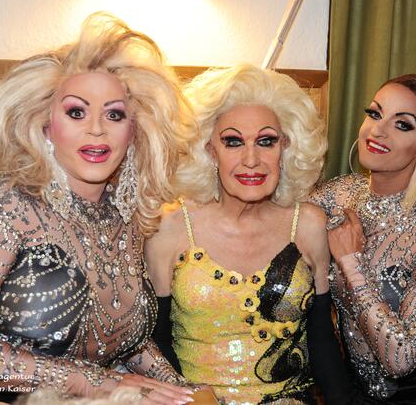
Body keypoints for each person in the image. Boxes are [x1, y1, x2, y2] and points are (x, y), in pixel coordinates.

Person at [0, 13, 198, 405]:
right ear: (44, 123)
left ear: (136, 130)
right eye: (76, 112)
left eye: (114, 114)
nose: (97, 129)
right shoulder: (1, 208)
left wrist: (181, 391)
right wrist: (97, 383)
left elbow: (130, 344)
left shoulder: (125, 217)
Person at [147, 65, 352, 404]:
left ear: (286, 147)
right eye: (233, 142)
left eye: (266, 141)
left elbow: (322, 342)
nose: (252, 159)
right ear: (209, 150)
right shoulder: (169, 227)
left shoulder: (308, 224)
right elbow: (156, 345)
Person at [310, 74, 416, 404]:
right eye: (375, 113)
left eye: (402, 125)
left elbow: (401, 359)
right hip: (355, 391)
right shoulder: (339, 194)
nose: (377, 130)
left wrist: (350, 263)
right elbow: (278, 219)